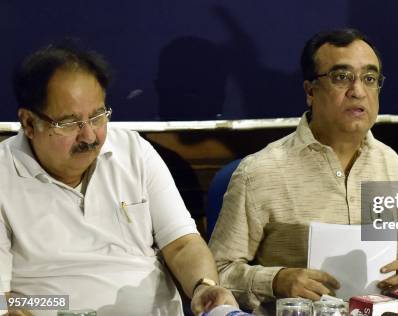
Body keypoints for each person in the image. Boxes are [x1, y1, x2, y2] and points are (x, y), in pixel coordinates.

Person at [0, 43, 237, 315]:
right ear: (29, 123)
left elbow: (182, 244)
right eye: (69, 123)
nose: (89, 136)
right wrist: (51, 306)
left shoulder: (134, 151)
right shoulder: (4, 174)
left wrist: (203, 286)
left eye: (98, 117)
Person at [209, 28, 398, 313]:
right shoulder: (259, 172)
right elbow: (216, 273)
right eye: (341, 77)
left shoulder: (390, 164)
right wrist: (276, 280)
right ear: (310, 91)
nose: (358, 91)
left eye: (369, 79)